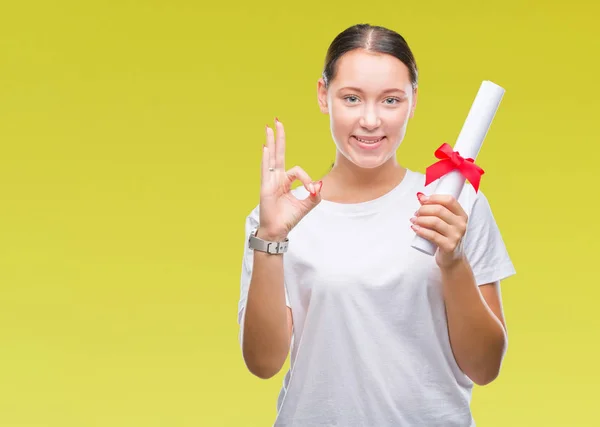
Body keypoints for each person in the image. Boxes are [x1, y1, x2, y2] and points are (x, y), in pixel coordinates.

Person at [236, 23, 516, 427]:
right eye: (351, 98)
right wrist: (271, 239)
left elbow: (486, 368)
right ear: (323, 95)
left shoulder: (453, 205)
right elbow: (263, 363)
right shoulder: (279, 219)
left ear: (413, 101)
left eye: (390, 100)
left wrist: (452, 261)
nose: (370, 120)